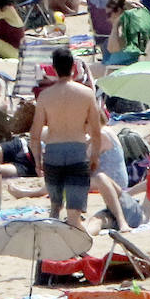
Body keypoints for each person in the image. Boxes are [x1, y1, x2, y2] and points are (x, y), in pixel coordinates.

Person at [29, 45, 101, 230]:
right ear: (73, 68)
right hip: (77, 151)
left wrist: (37, 160)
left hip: (53, 152)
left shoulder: (45, 96)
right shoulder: (86, 94)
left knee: (54, 207)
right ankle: (80, 252)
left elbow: (35, 134)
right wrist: (94, 157)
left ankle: (54, 251)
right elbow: (96, 130)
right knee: (74, 214)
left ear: (54, 68)